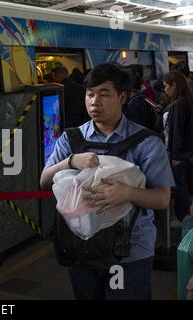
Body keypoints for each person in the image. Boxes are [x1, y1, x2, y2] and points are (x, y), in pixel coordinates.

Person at [40, 63, 174, 300]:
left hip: (129, 251)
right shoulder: (71, 139)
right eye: (90, 94)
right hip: (80, 248)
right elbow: (44, 180)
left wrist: (127, 193)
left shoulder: (146, 142)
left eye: (104, 94)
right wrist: (70, 161)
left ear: (122, 97)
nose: (94, 101)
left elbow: (163, 198)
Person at [163, 71, 193, 223]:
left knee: (179, 185)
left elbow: (177, 132)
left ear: (174, 85)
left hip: (179, 153)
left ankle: (183, 217)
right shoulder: (187, 101)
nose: (165, 90)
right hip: (186, 151)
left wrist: (175, 156)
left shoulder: (179, 104)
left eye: (166, 86)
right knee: (184, 183)